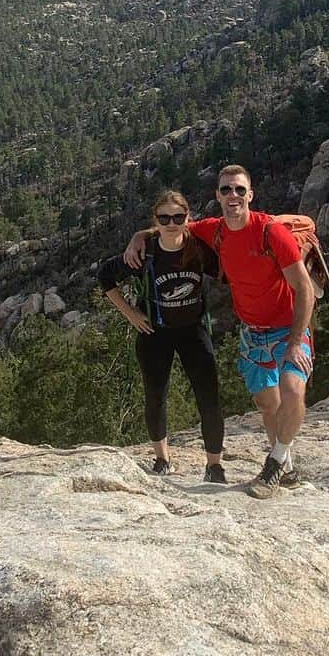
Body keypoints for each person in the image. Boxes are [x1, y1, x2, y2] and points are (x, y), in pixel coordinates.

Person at [124, 165, 315, 500]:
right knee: (267, 405)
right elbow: (172, 224)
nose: (233, 196)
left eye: (240, 190)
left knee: (292, 390)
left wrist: (297, 341)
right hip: (253, 332)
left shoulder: (271, 233)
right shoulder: (214, 230)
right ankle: (287, 465)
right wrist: (139, 236)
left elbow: (305, 290)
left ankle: (273, 466)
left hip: (287, 328)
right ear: (217, 196)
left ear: (250, 195)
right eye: (226, 190)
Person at [98, 189, 227, 483]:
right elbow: (105, 276)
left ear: (187, 218)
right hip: (154, 332)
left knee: (209, 398)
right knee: (155, 396)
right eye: (164, 217)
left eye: (178, 217)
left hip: (193, 330)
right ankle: (162, 458)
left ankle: (214, 465)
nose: (171, 223)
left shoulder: (199, 249)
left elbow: (229, 271)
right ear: (155, 220)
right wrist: (130, 313)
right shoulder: (145, 253)